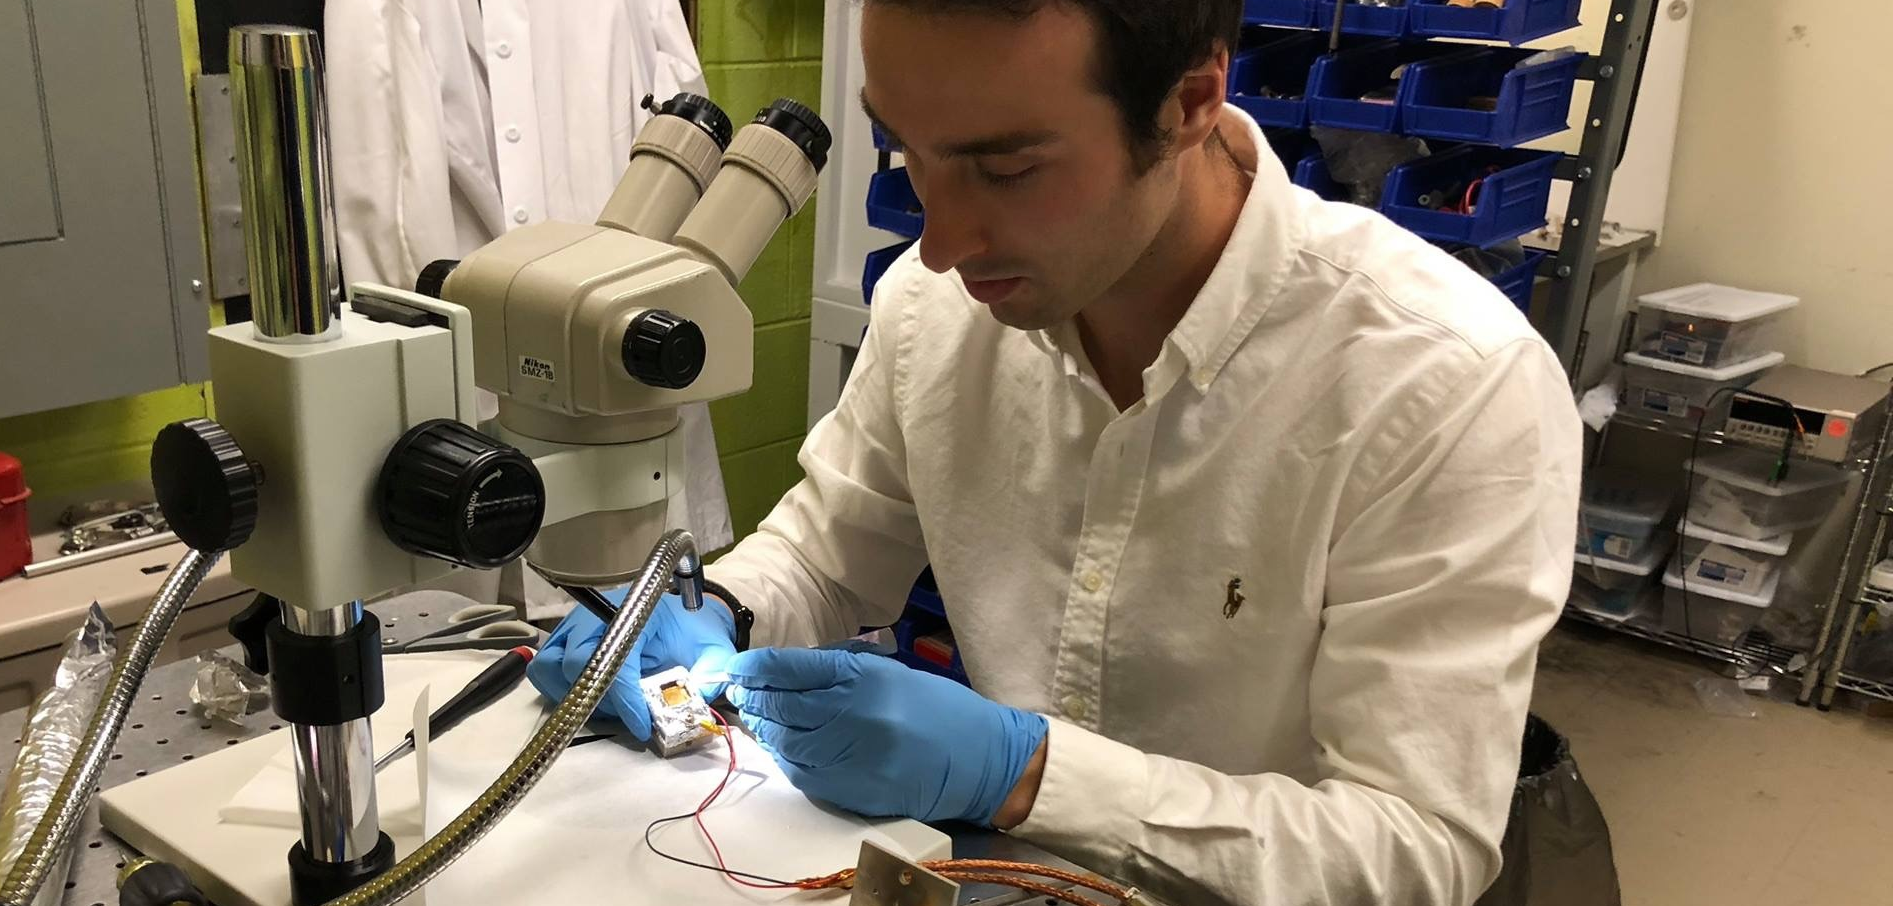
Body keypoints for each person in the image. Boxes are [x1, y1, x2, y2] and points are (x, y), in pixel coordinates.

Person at [531, 1, 1583, 903]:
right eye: (908, 152)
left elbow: (1414, 852)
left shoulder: (1443, 384)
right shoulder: (932, 311)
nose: (939, 243)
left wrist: (1029, 776)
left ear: (1188, 101)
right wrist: (711, 616)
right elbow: (825, 552)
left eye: (1007, 168)